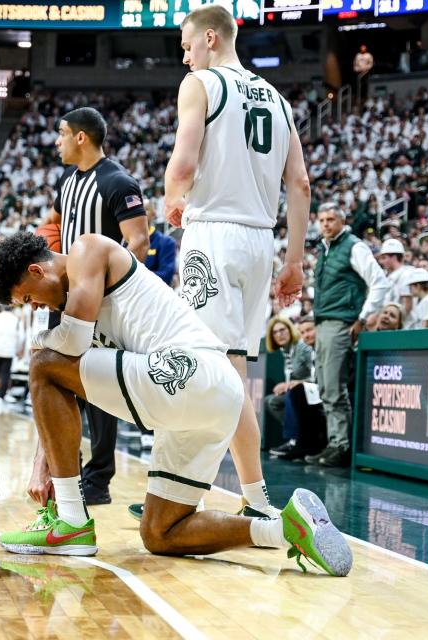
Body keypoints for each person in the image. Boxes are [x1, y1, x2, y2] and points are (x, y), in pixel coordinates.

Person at [0, 232, 352, 577]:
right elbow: (67, 378)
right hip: (214, 396)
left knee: (43, 365)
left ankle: (71, 520)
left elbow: (69, 343)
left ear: (36, 271)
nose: (36, 306)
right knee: (161, 532)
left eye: (28, 298)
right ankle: (285, 529)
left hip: (187, 370)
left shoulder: (87, 249)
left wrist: (38, 342)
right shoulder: (78, 300)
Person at [164, 4, 309, 516]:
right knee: (233, 371)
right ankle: (247, 495)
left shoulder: (201, 84)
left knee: (203, 367)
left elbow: (183, 164)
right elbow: (301, 184)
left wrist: (170, 198)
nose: (184, 58)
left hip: (214, 235)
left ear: (209, 38)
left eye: (185, 46)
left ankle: (195, 492)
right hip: (260, 243)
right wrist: (293, 260)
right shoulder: (277, 98)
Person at [40, 106, 150, 505]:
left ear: (81, 137)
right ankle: (67, 468)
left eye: (62, 133)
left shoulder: (117, 181)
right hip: (64, 294)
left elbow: (139, 242)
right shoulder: (67, 182)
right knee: (63, 379)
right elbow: (52, 225)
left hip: (101, 300)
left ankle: (99, 479)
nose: (57, 141)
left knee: (99, 387)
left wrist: (102, 288)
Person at [306, 203, 390, 467]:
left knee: (333, 386)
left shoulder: (354, 246)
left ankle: (341, 445)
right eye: (322, 220)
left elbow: (379, 282)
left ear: (342, 221)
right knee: (325, 385)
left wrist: (363, 318)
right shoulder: (325, 248)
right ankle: (334, 442)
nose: (326, 224)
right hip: (324, 322)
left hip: (341, 322)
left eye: (331, 219)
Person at [264, 318, 321, 461]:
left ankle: (295, 440)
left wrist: (295, 383)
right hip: (301, 390)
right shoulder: (286, 351)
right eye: (275, 332)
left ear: (290, 330)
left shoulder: (303, 348)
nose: (279, 334)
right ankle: (294, 438)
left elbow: (315, 375)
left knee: (290, 396)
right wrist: (286, 384)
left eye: (282, 330)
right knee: (271, 401)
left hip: (311, 390)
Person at [0, 304, 24, 413]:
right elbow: (21, 336)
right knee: (4, 374)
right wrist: (18, 349)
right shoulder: (16, 319)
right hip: (8, 351)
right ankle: (0, 397)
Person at [144, 204, 177, 286]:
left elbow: (166, 276)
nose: (140, 213)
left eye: (145, 209)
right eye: (137, 209)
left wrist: (134, 276)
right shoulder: (124, 243)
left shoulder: (167, 242)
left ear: (154, 214)